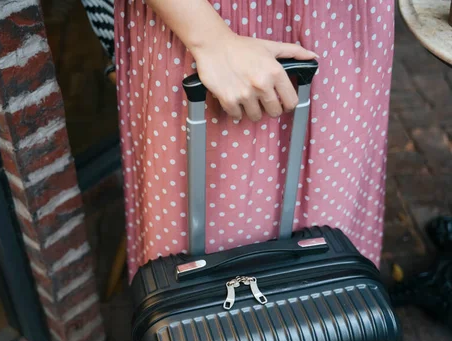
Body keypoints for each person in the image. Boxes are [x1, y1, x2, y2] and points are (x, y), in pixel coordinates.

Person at [115, 0, 395, 281]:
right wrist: (212, 40)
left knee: (334, 220)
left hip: (344, 25)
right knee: (202, 263)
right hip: (206, 24)